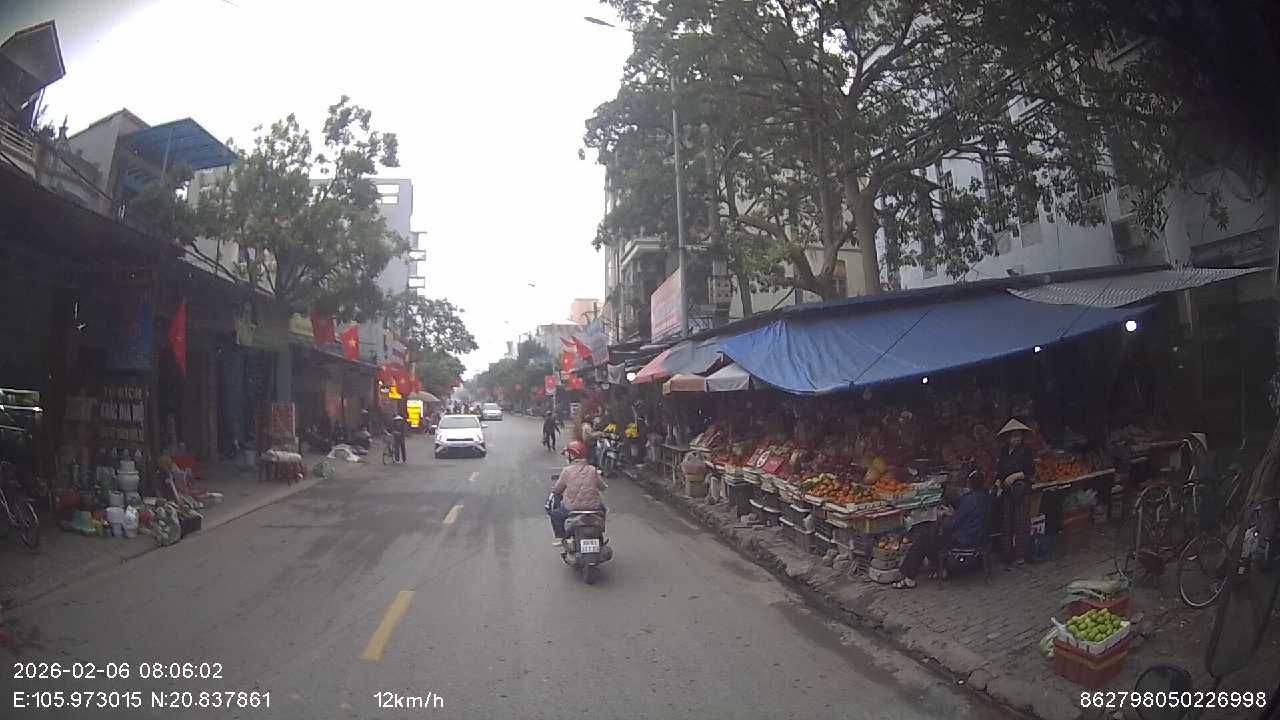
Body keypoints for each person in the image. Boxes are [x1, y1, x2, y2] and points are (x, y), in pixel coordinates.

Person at [894, 468, 991, 588]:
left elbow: (953, 525)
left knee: (925, 539)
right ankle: (942, 569)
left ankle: (909, 577)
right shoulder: (985, 497)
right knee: (929, 538)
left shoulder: (969, 500)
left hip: (964, 538)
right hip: (978, 536)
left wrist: (943, 517)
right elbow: (966, 517)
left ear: (969, 483)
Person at [548, 440, 607, 545]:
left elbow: (557, 490)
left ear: (572, 455)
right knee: (603, 511)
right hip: (593, 508)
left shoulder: (567, 471)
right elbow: (602, 487)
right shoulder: (592, 470)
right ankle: (600, 533)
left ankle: (562, 537)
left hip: (572, 508)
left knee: (555, 515)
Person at [994, 418, 1036, 564]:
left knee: (1021, 523)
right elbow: (999, 470)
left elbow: (1030, 471)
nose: (1017, 439)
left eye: (1019, 436)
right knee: (1007, 523)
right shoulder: (1004, 451)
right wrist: (998, 481)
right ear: (1008, 438)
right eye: (1014, 436)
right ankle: (1007, 554)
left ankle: (1021, 555)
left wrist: (1015, 476)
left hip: (1021, 490)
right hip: (1007, 491)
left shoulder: (1026, 451)